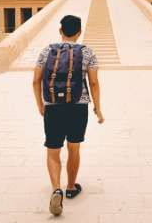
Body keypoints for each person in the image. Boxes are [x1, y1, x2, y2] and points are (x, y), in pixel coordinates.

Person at [32, 15, 104, 216]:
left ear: (60, 31)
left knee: (53, 150)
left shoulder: (47, 51)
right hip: (77, 106)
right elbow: (94, 83)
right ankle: (71, 187)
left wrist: (41, 105)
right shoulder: (87, 52)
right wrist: (98, 108)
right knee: (74, 148)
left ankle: (56, 189)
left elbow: (35, 80)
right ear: (79, 32)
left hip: (53, 106)